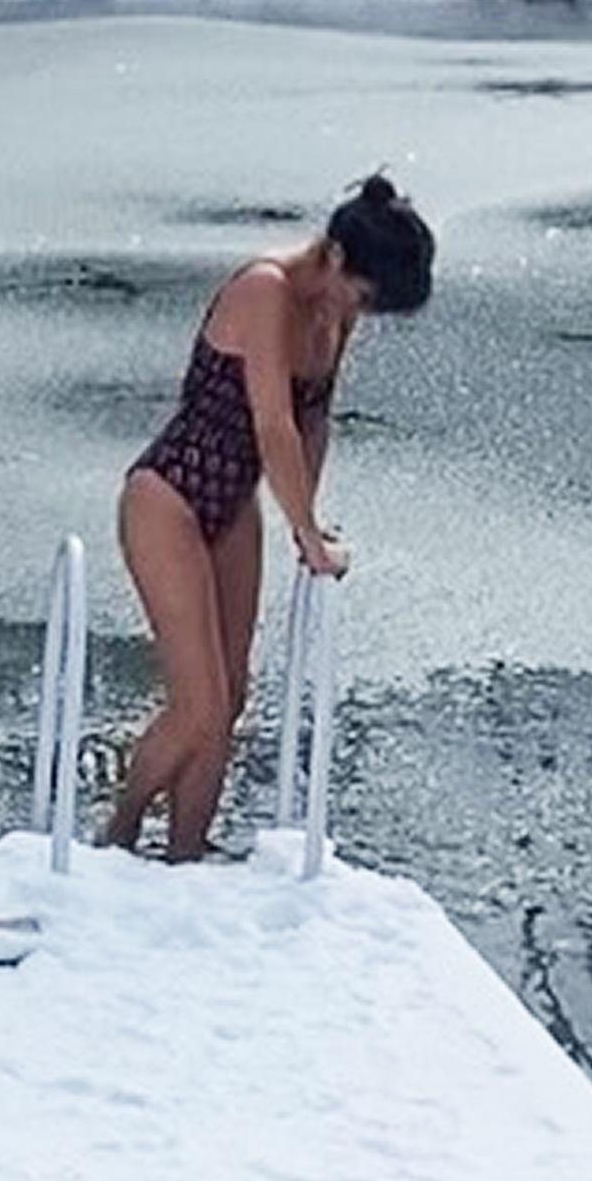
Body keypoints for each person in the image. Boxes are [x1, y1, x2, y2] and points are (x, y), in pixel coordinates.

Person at [102, 175, 435, 861]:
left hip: (234, 502)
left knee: (230, 703)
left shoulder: (333, 315)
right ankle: (117, 834)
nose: (361, 314)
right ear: (338, 258)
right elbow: (272, 424)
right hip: (167, 495)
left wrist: (305, 522)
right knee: (197, 701)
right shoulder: (267, 289)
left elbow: (313, 421)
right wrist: (308, 537)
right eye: (365, 297)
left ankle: (184, 859)